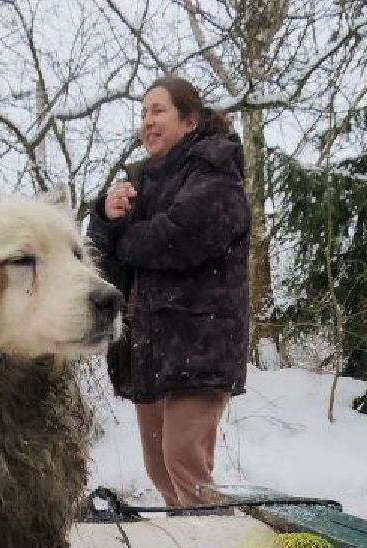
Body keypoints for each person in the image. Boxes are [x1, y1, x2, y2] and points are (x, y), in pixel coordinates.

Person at [87, 77, 251, 509]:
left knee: (185, 460)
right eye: (143, 113)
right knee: (159, 465)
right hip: (149, 346)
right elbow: (100, 265)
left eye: (158, 110)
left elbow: (179, 236)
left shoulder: (216, 171)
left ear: (190, 120)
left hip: (199, 340)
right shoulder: (139, 186)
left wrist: (126, 235)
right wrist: (106, 216)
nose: (147, 121)